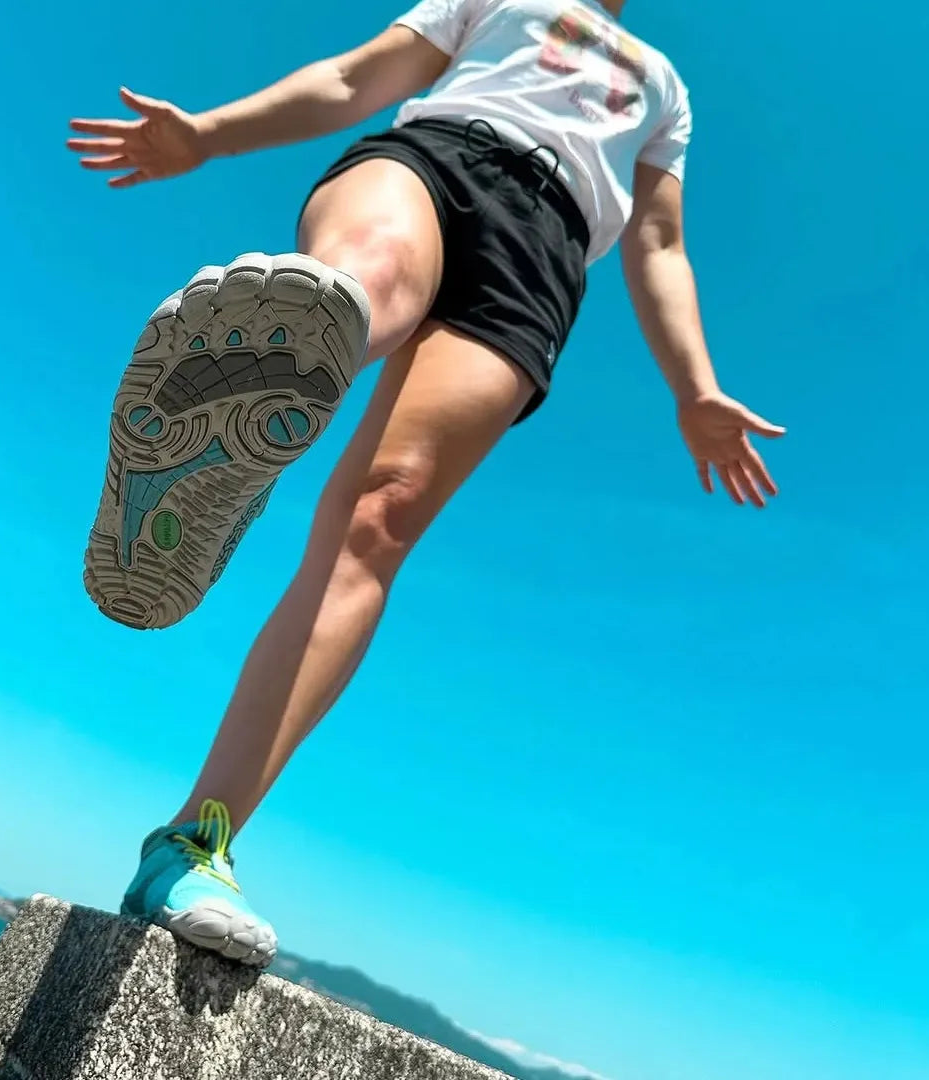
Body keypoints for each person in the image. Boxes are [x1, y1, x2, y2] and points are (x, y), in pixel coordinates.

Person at [67, 0, 786, 967]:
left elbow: (658, 244)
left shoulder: (666, 88)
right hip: (437, 163)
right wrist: (207, 135)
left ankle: (193, 843)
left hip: (544, 258)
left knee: (383, 515)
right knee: (372, 275)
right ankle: (253, 388)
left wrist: (695, 388)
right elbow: (356, 77)